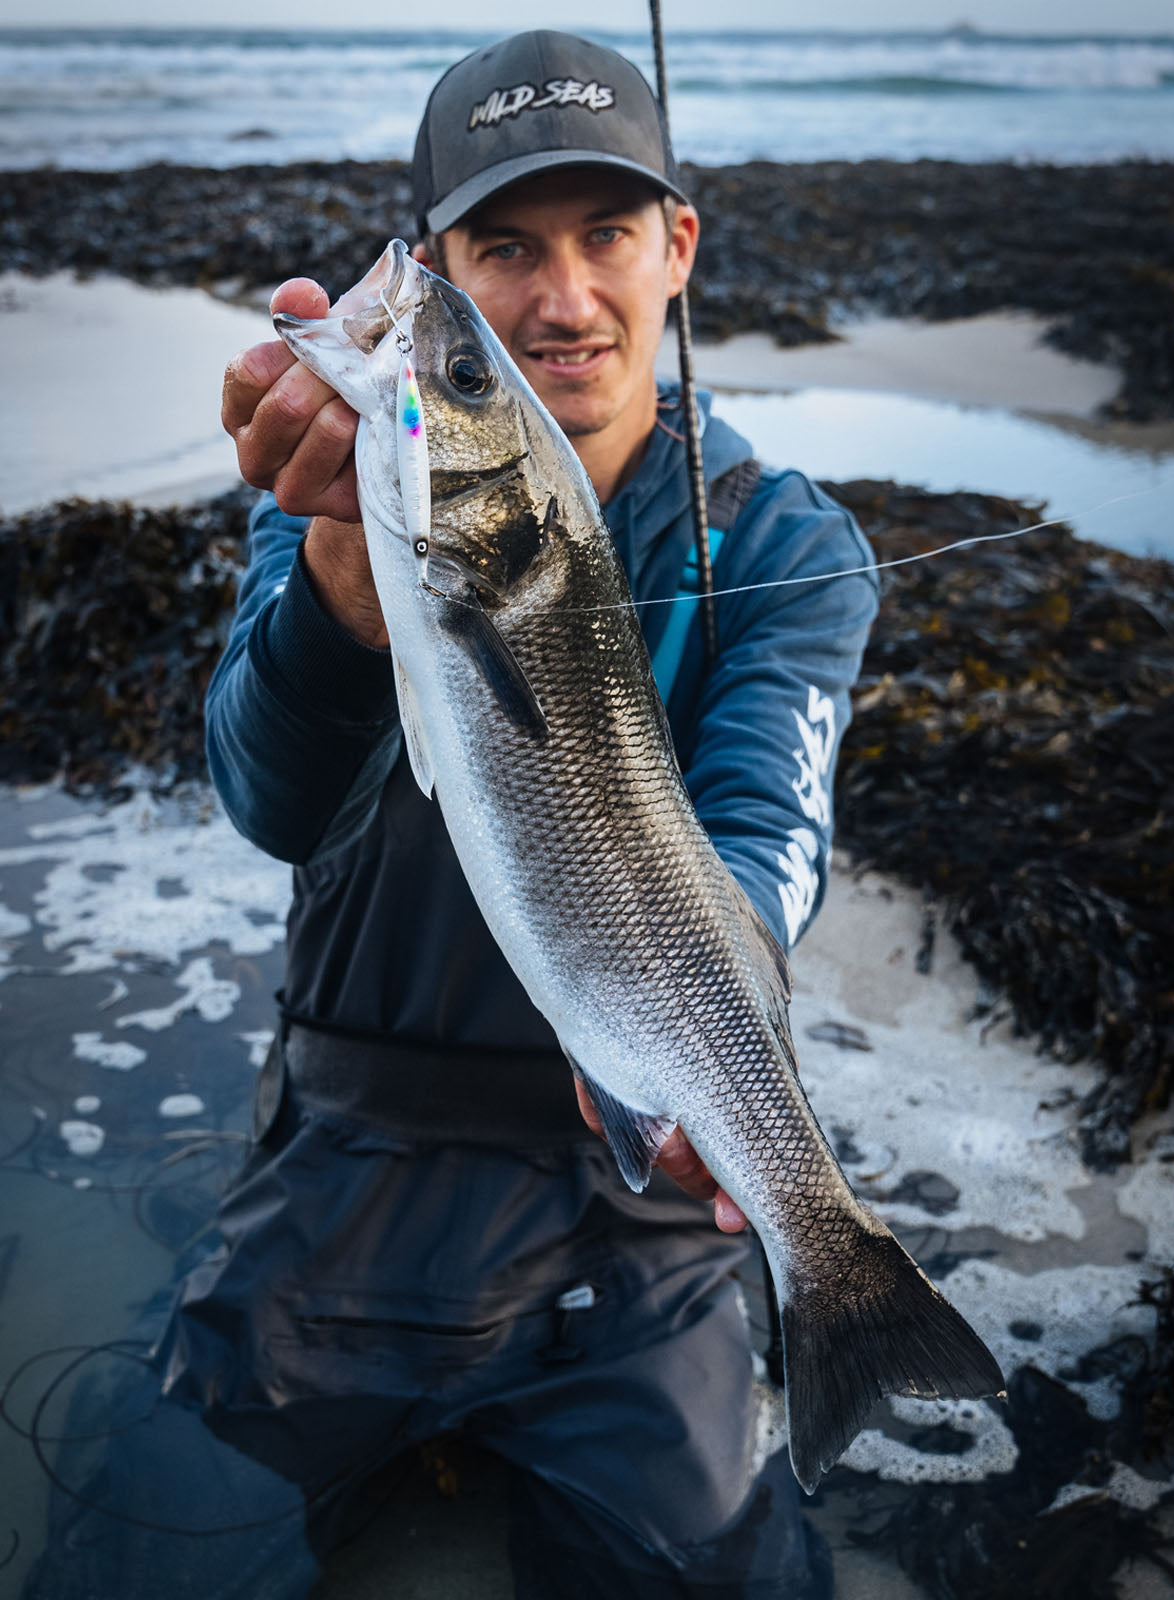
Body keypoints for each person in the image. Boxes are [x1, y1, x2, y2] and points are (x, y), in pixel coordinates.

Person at [26, 30, 878, 1600]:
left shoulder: (786, 543)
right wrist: (345, 590)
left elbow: (771, 834)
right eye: (503, 247)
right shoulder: (338, 488)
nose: (562, 300)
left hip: (648, 1207)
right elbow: (272, 799)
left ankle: (834, 1306)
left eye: (606, 234)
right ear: (438, 262)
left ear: (676, 247)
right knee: (132, 1556)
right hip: (356, 1150)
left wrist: (704, 1047)